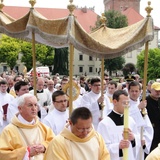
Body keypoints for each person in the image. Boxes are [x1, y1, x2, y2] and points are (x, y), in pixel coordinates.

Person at [0, 93, 54, 160]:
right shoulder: (9, 130)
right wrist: (26, 152)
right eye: (30, 105)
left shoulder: (44, 128)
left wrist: (44, 147)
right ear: (20, 108)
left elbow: (54, 143)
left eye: (35, 105)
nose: (34, 108)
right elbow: (2, 154)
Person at [44, 107, 110, 160]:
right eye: (80, 129)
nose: (85, 133)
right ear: (70, 123)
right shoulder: (58, 142)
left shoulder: (97, 138)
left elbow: (105, 157)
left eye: (88, 128)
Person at [97, 90, 140, 160]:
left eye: (128, 103)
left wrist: (133, 138)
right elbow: (102, 148)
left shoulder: (131, 120)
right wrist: (118, 147)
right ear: (115, 102)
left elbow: (137, 141)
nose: (127, 106)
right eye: (124, 103)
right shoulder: (104, 124)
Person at [128, 81, 153, 159]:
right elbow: (125, 118)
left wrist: (145, 139)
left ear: (140, 92)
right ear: (128, 91)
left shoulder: (143, 106)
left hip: (140, 139)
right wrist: (137, 108)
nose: (134, 93)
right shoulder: (125, 103)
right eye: (132, 91)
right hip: (129, 139)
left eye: (136, 91)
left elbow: (148, 126)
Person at [146, 82, 160, 152]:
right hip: (151, 129)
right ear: (151, 90)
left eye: (159, 91)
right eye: (156, 91)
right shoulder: (146, 101)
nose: (158, 93)